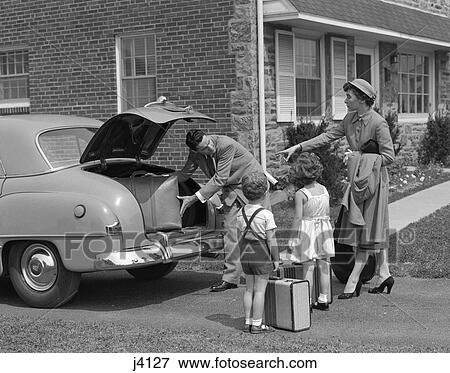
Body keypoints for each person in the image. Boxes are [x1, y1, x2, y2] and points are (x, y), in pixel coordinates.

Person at [277, 78, 395, 299]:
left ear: (361, 99)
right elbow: (327, 136)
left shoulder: (379, 123)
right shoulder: (349, 118)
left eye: (348, 97)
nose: (345, 100)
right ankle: (384, 272)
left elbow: (389, 157)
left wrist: (358, 157)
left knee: (368, 228)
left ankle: (354, 279)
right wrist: (298, 147)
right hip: (356, 182)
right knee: (368, 227)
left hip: (374, 183)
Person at [177, 129, 270, 292]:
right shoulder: (195, 154)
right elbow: (184, 174)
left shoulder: (225, 144)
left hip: (253, 185)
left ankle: (270, 271)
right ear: (195, 150)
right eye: (204, 148)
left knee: (262, 229)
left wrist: (193, 198)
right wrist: (161, 180)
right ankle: (231, 278)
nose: (210, 148)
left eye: (209, 143)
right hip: (232, 190)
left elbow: (220, 177)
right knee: (230, 232)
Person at [287, 153, 334, 310]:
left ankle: (307, 301)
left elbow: (298, 217)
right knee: (325, 264)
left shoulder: (301, 194)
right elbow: (327, 210)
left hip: (308, 229)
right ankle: (324, 298)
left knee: (308, 266)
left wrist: (293, 238)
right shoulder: (324, 189)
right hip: (324, 227)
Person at [237, 171, 279, 333]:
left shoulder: (240, 213)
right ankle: (257, 323)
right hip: (261, 255)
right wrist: (276, 259)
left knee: (249, 289)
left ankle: (247, 321)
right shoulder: (266, 215)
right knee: (260, 290)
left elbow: (238, 236)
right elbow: (271, 240)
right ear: (265, 192)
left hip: (246, 254)